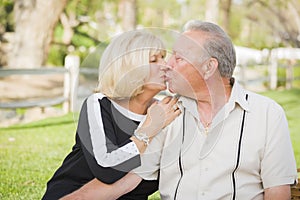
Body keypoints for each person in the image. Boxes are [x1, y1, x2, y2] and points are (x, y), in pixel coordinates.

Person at [61, 20, 298, 200]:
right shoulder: (166, 113)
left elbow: (277, 189)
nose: (168, 65)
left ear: (208, 68)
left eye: (178, 58)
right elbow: (125, 182)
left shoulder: (267, 113)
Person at [42, 30, 181, 200]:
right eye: (154, 60)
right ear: (130, 68)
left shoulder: (166, 110)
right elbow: (106, 169)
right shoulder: (99, 104)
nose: (165, 65)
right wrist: (148, 130)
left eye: (163, 58)